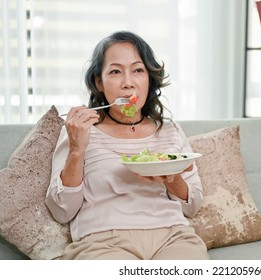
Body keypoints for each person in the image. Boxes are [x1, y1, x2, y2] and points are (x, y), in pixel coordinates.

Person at [45, 31, 209, 260]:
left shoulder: (170, 130)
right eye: (115, 71)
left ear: (149, 78)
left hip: (174, 238)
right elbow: (62, 210)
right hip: (102, 242)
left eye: (138, 70)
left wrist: (173, 177)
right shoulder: (79, 131)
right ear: (99, 82)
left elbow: (192, 207)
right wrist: (76, 150)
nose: (128, 83)